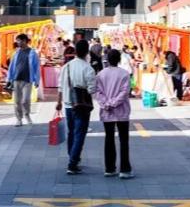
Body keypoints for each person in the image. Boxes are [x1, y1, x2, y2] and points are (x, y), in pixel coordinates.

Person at [55, 39, 97, 175]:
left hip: (68, 104)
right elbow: (92, 89)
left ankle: (73, 157)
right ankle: (72, 163)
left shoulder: (66, 67)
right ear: (87, 52)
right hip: (82, 106)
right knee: (79, 134)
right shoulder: (88, 68)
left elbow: (60, 86)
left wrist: (59, 102)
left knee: (71, 132)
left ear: (75, 51)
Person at [95, 49, 133, 179]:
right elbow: (124, 92)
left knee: (109, 138)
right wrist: (114, 103)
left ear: (107, 60)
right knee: (124, 140)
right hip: (122, 111)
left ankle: (109, 168)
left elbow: (98, 92)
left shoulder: (101, 74)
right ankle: (125, 169)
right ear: (119, 60)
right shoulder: (125, 74)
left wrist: (106, 104)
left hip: (107, 111)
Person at [6, 33, 40, 127]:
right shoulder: (16, 53)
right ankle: (19, 119)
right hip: (16, 79)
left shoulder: (32, 53)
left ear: (24, 41)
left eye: (19, 41)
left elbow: (36, 67)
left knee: (25, 100)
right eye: (17, 41)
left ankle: (27, 115)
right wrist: (9, 79)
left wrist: (37, 80)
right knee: (17, 101)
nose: (17, 43)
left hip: (27, 80)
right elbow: (11, 66)